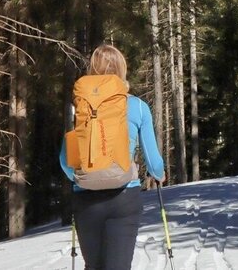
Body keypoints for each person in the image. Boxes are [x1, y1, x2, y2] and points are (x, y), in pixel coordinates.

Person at [60, 44, 165, 270]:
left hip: (86, 200)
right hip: (124, 196)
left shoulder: (80, 107)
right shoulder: (137, 106)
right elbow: (153, 161)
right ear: (122, 70)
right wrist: (159, 174)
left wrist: (82, 178)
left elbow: (66, 160)